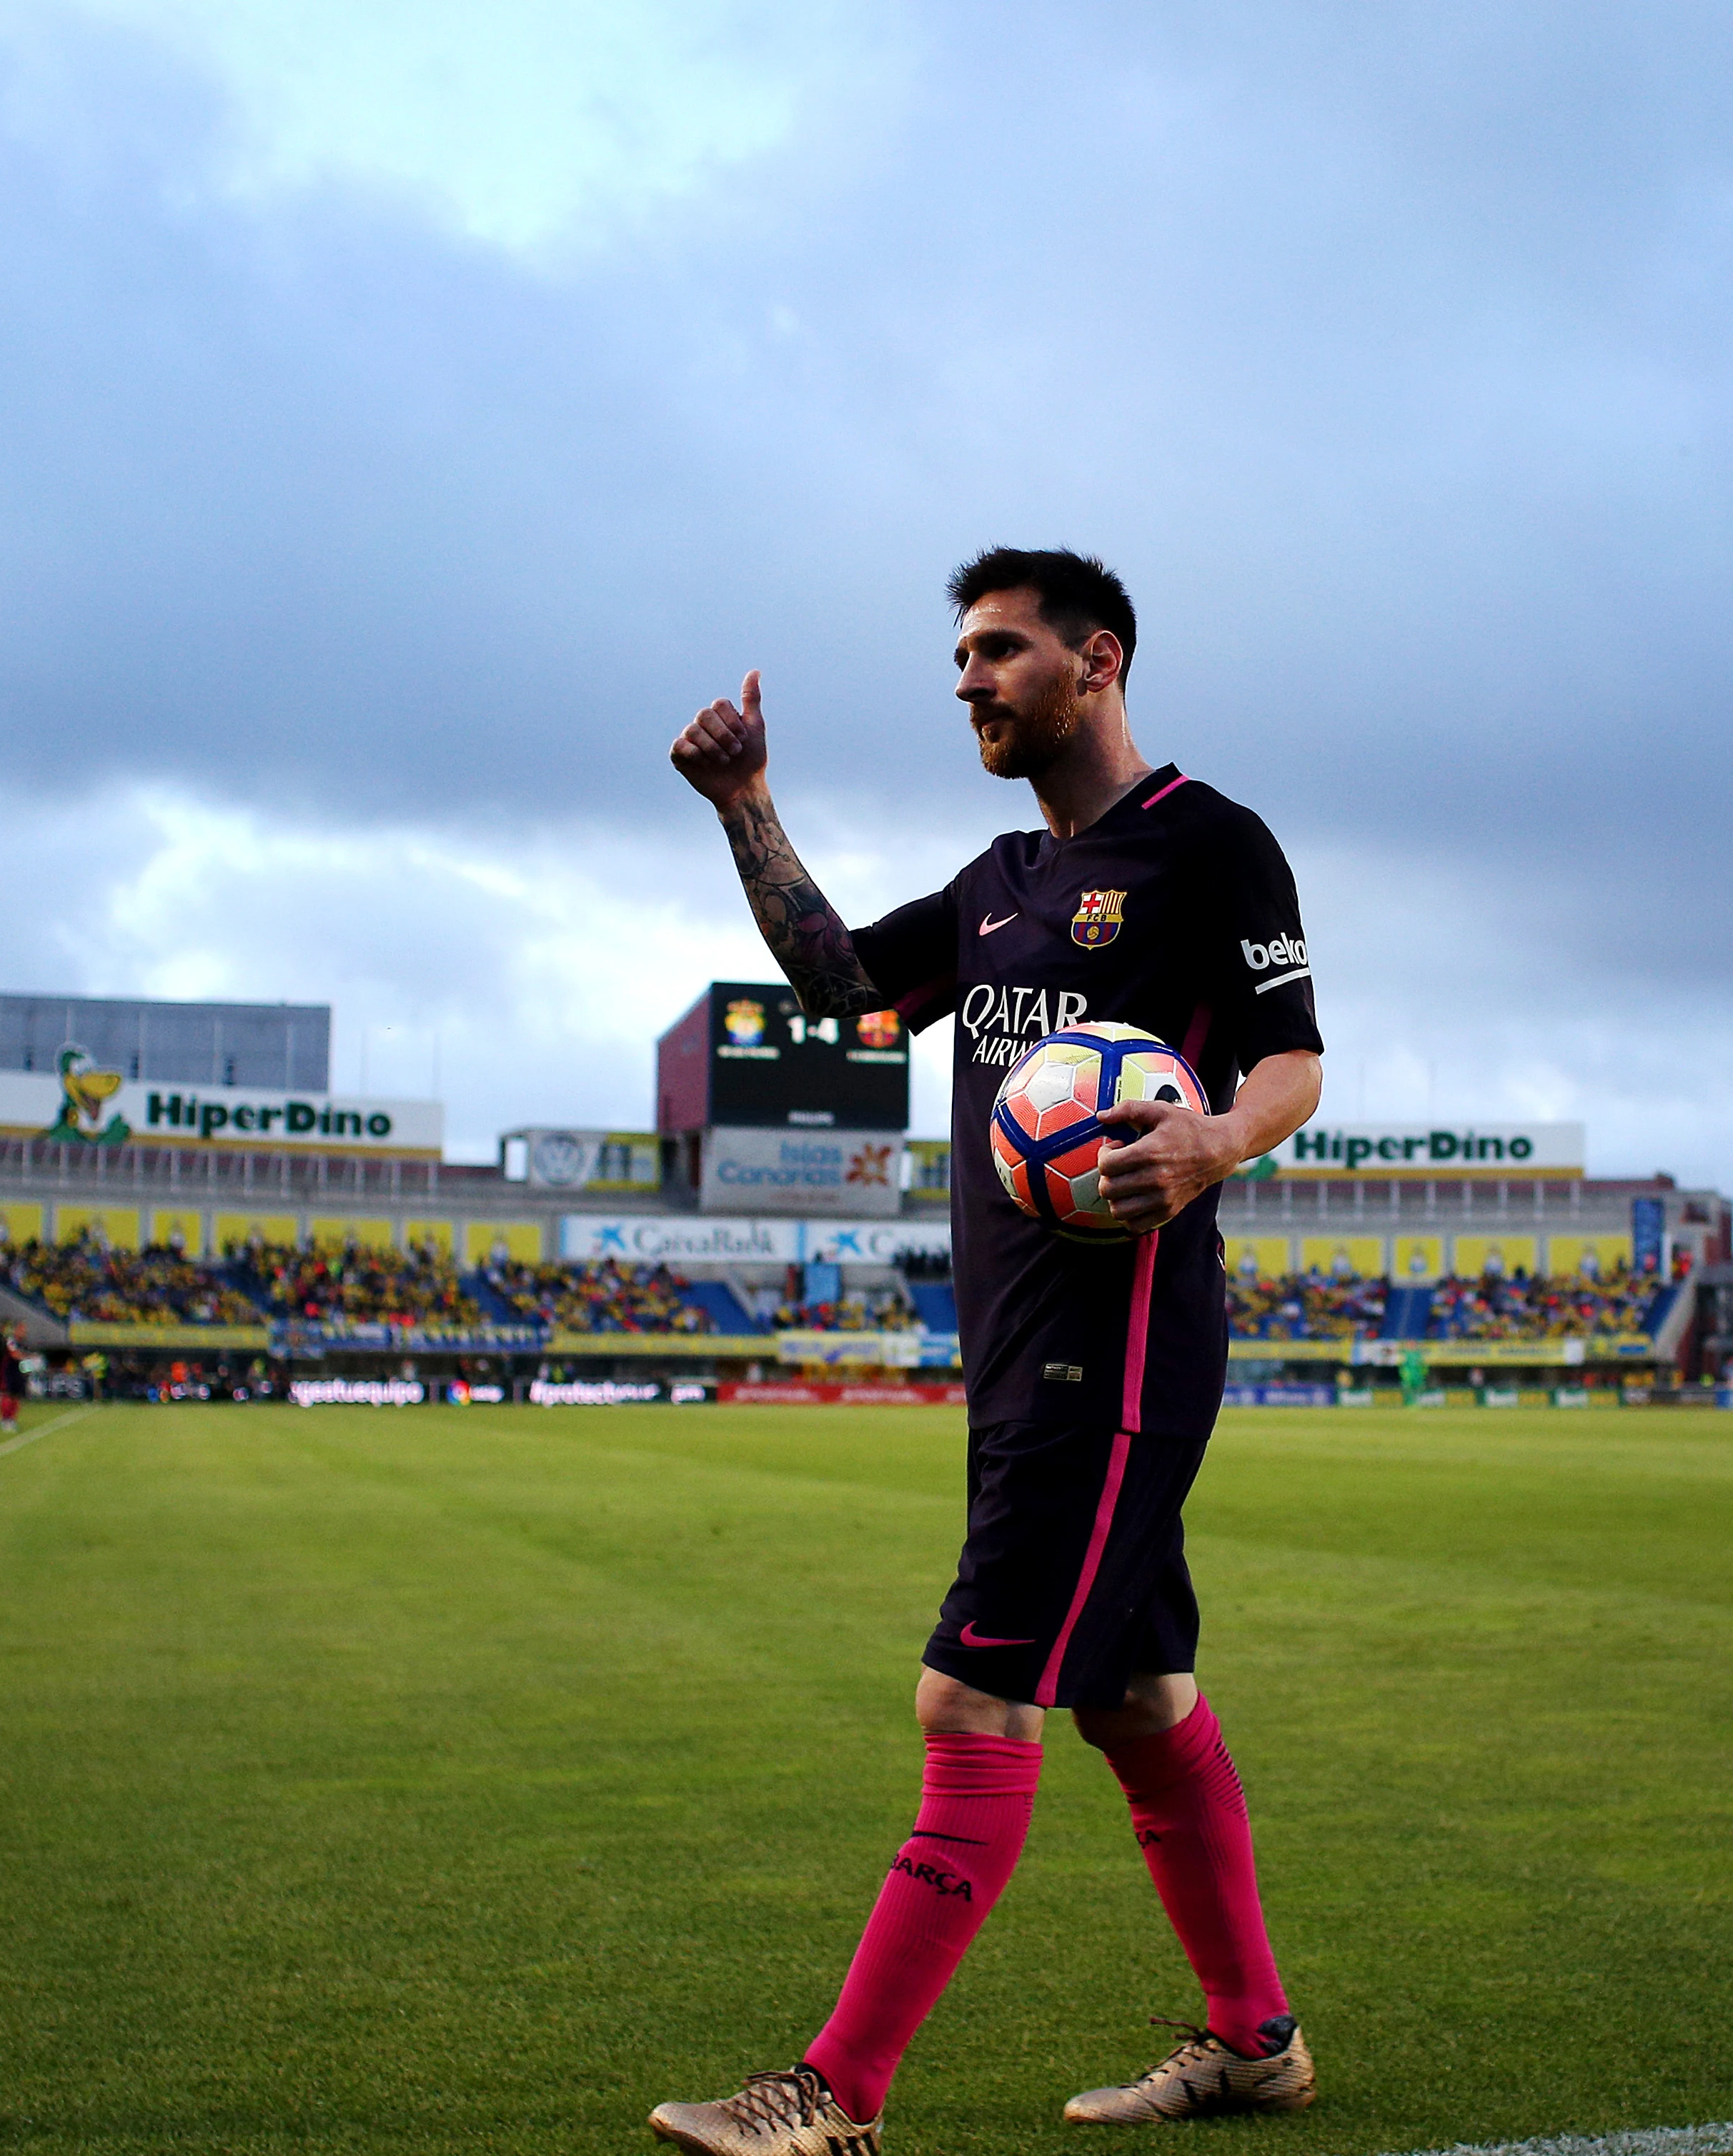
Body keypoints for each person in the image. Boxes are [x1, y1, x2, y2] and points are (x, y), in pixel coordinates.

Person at [645, 549, 1327, 2156]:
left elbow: (1296, 1060)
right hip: (1020, 1354)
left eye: (997, 650)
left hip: (1126, 1350)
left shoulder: (1214, 847)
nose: (967, 679)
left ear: (1095, 660)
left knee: (973, 1697)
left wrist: (1216, 1139)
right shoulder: (1000, 881)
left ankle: (835, 2089)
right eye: (958, 655)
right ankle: (1254, 2041)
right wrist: (745, 802)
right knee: (1139, 1695)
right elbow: (839, 985)